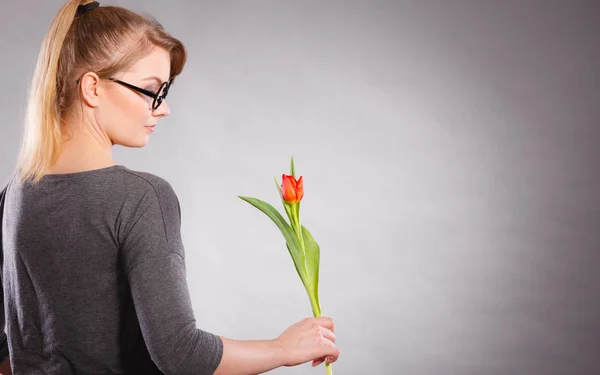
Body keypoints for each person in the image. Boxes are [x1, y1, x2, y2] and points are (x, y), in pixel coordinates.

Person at [0, 1, 339, 374]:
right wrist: (282, 348)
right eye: (151, 90)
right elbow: (181, 353)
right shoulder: (139, 198)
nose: (163, 109)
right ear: (93, 88)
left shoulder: (13, 195)